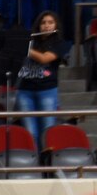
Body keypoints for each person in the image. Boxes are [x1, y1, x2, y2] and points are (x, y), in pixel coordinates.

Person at [15, 10, 66, 149]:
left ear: (56, 25)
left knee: (47, 130)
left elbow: (45, 59)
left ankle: (48, 165)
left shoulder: (60, 43)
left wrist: (25, 48)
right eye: (43, 23)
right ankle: (35, 163)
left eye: (50, 22)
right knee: (30, 132)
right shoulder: (31, 41)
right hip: (25, 91)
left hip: (47, 90)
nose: (46, 26)